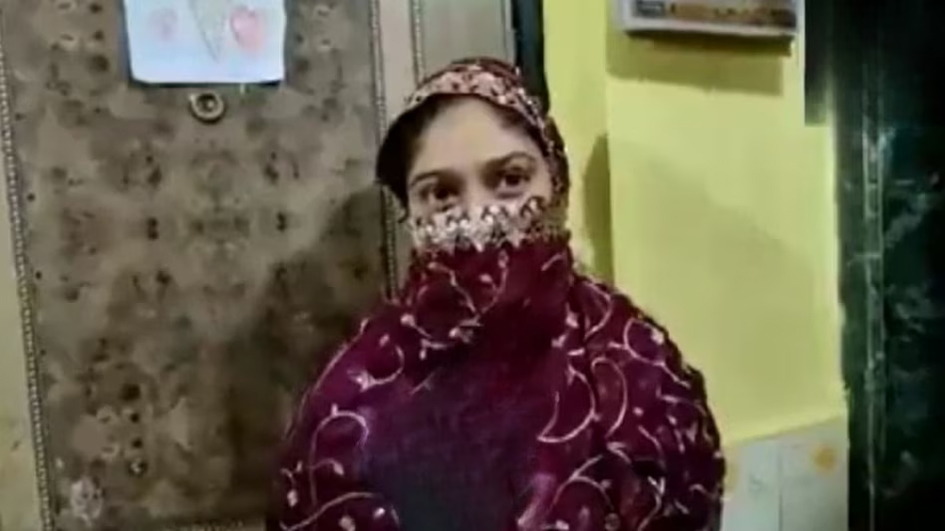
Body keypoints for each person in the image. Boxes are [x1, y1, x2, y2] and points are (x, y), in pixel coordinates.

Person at [267, 57, 725, 531]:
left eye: (510, 180)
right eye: (441, 194)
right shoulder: (353, 396)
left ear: (557, 187)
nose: (479, 217)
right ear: (410, 212)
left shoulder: (638, 369)